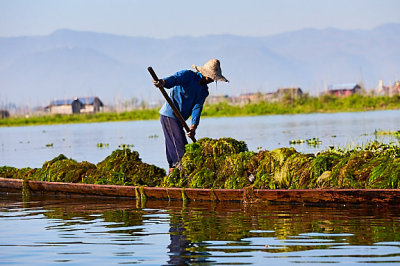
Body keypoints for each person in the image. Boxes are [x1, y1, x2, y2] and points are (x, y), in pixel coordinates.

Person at [153, 59, 228, 173]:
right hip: (169, 115)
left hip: (180, 118)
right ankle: (181, 174)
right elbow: (174, 79)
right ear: (205, 74)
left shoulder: (203, 91)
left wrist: (193, 126)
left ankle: (172, 174)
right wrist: (163, 82)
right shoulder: (188, 75)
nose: (211, 81)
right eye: (211, 78)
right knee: (180, 148)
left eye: (214, 79)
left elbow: (197, 108)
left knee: (172, 144)